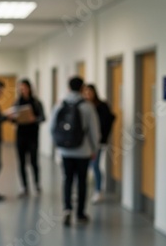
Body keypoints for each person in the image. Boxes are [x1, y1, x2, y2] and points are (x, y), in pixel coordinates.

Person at [50, 76, 100, 226]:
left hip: (65, 151)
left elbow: (52, 128)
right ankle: (80, 214)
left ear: (68, 87)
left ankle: (67, 209)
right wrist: (94, 149)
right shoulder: (87, 106)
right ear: (82, 88)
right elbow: (94, 131)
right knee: (82, 181)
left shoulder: (60, 104)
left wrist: (59, 145)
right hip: (83, 151)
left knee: (67, 179)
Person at [11, 79, 45, 197]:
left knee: (34, 161)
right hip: (21, 136)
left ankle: (36, 185)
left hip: (32, 136)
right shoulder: (16, 103)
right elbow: (13, 119)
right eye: (20, 88)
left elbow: (43, 117)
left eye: (24, 87)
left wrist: (34, 119)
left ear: (29, 88)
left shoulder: (36, 102)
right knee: (21, 162)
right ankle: (24, 187)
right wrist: (13, 118)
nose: (22, 90)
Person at [83, 84, 115, 203]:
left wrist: (102, 137)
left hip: (98, 142)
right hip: (84, 143)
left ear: (94, 93)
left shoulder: (102, 106)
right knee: (86, 167)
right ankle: (83, 191)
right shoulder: (83, 106)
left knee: (95, 165)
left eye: (89, 92)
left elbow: (107, 121)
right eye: (85, 92)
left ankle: (98, 191)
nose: (87, 95)